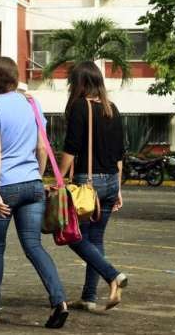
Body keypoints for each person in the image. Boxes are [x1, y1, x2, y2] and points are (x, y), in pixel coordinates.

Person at [0, 57, 69, 329]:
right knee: (33, 246)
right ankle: (59, 301)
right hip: (32, 185)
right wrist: (37, 174)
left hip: (5, 186)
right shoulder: (32, 104)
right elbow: (41, 148)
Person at [57, 61, 129, 312]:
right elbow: (120, 154)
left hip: (89, 184)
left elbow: (71, 147)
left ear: (79, 84)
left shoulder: (80, 107)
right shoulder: (113, 109)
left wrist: (58, 178)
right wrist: (118, 188)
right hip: (110, 182)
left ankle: (113, 275)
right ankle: (89, 297)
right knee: (95, 238)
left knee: (73, 237)